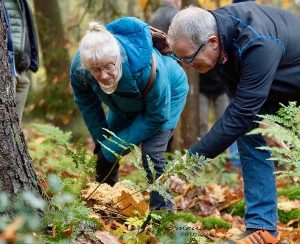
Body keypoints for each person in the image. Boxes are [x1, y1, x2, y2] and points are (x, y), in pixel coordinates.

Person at [168, 3, 300, 243]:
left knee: (243, 120)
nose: (186, 66)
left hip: (290, 74)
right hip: (274, 81)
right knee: (249, 129)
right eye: (180, 58)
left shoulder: (256, 43)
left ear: (212, 42)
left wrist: (191, 161)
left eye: (189, 58)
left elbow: (240, 112)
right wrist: (263, 121)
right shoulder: (218, 33)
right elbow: (241, 98)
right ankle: (262, 228)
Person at [70, 17, 189, 210]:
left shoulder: (145, 68)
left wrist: (114, 146)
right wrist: (103, 143)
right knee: (103, 151)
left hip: (167, 96)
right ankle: (104, 201)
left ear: (118, 57)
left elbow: (157, 116)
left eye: (109, 66)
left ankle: (162, 213)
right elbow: (86, 103)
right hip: (124, 101)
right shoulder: (80, 69)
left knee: (151, 153)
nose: (104, 75)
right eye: (96, 70)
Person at [3, 0, 39, 122]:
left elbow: (29, 29)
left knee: (14, 130)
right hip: (5, 71)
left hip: (22, 70)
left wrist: (32, 60)